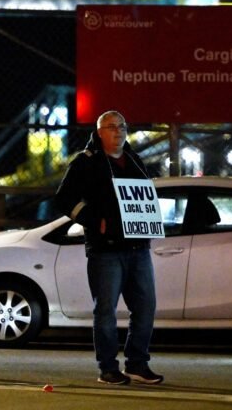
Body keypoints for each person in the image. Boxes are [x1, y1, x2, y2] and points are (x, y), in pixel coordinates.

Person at [55, 110, 163, 385]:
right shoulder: (86, 163)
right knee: (105, 310)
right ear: (99, 132)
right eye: (112, 127)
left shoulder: (135, 161)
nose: (119, 132)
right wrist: (94, 221)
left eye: (123, 126)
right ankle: (108, 368)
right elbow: (64, 199)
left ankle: (137, 364)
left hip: (138, 248)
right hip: (106, 250)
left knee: (146, 307)